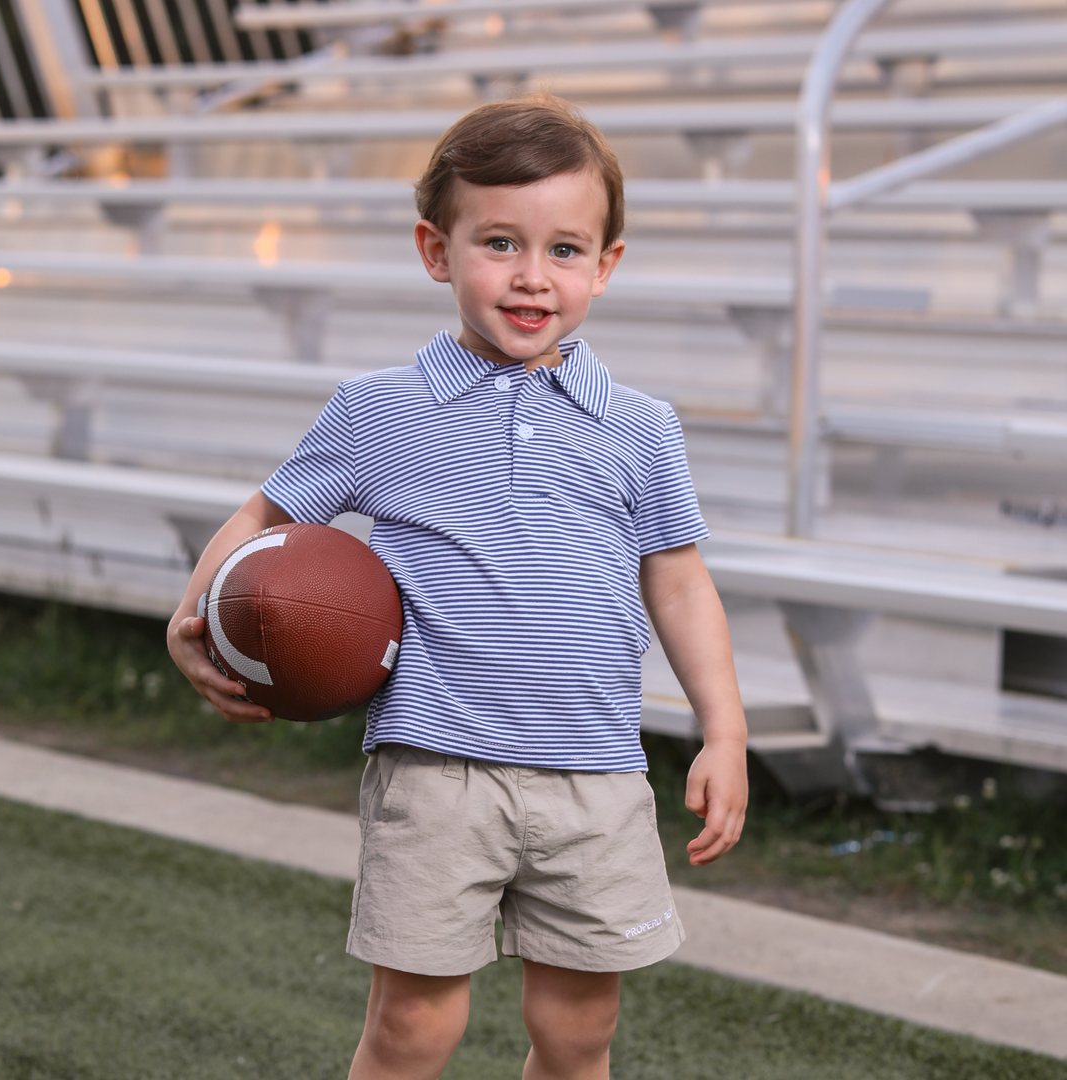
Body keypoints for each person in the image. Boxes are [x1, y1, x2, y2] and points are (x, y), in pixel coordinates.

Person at [167, 95, 747, 1080]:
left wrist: (724, 731)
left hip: (595, 775)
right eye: (499, 243)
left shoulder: (642, 427)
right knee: (412, 1029)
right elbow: (266, 520)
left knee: (576, 1034)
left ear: (605, 266)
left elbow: (681, 584)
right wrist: (196, 615)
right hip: (436, 773)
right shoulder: (377, 411)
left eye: (565, 249)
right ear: (437, 250)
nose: (531, 276)